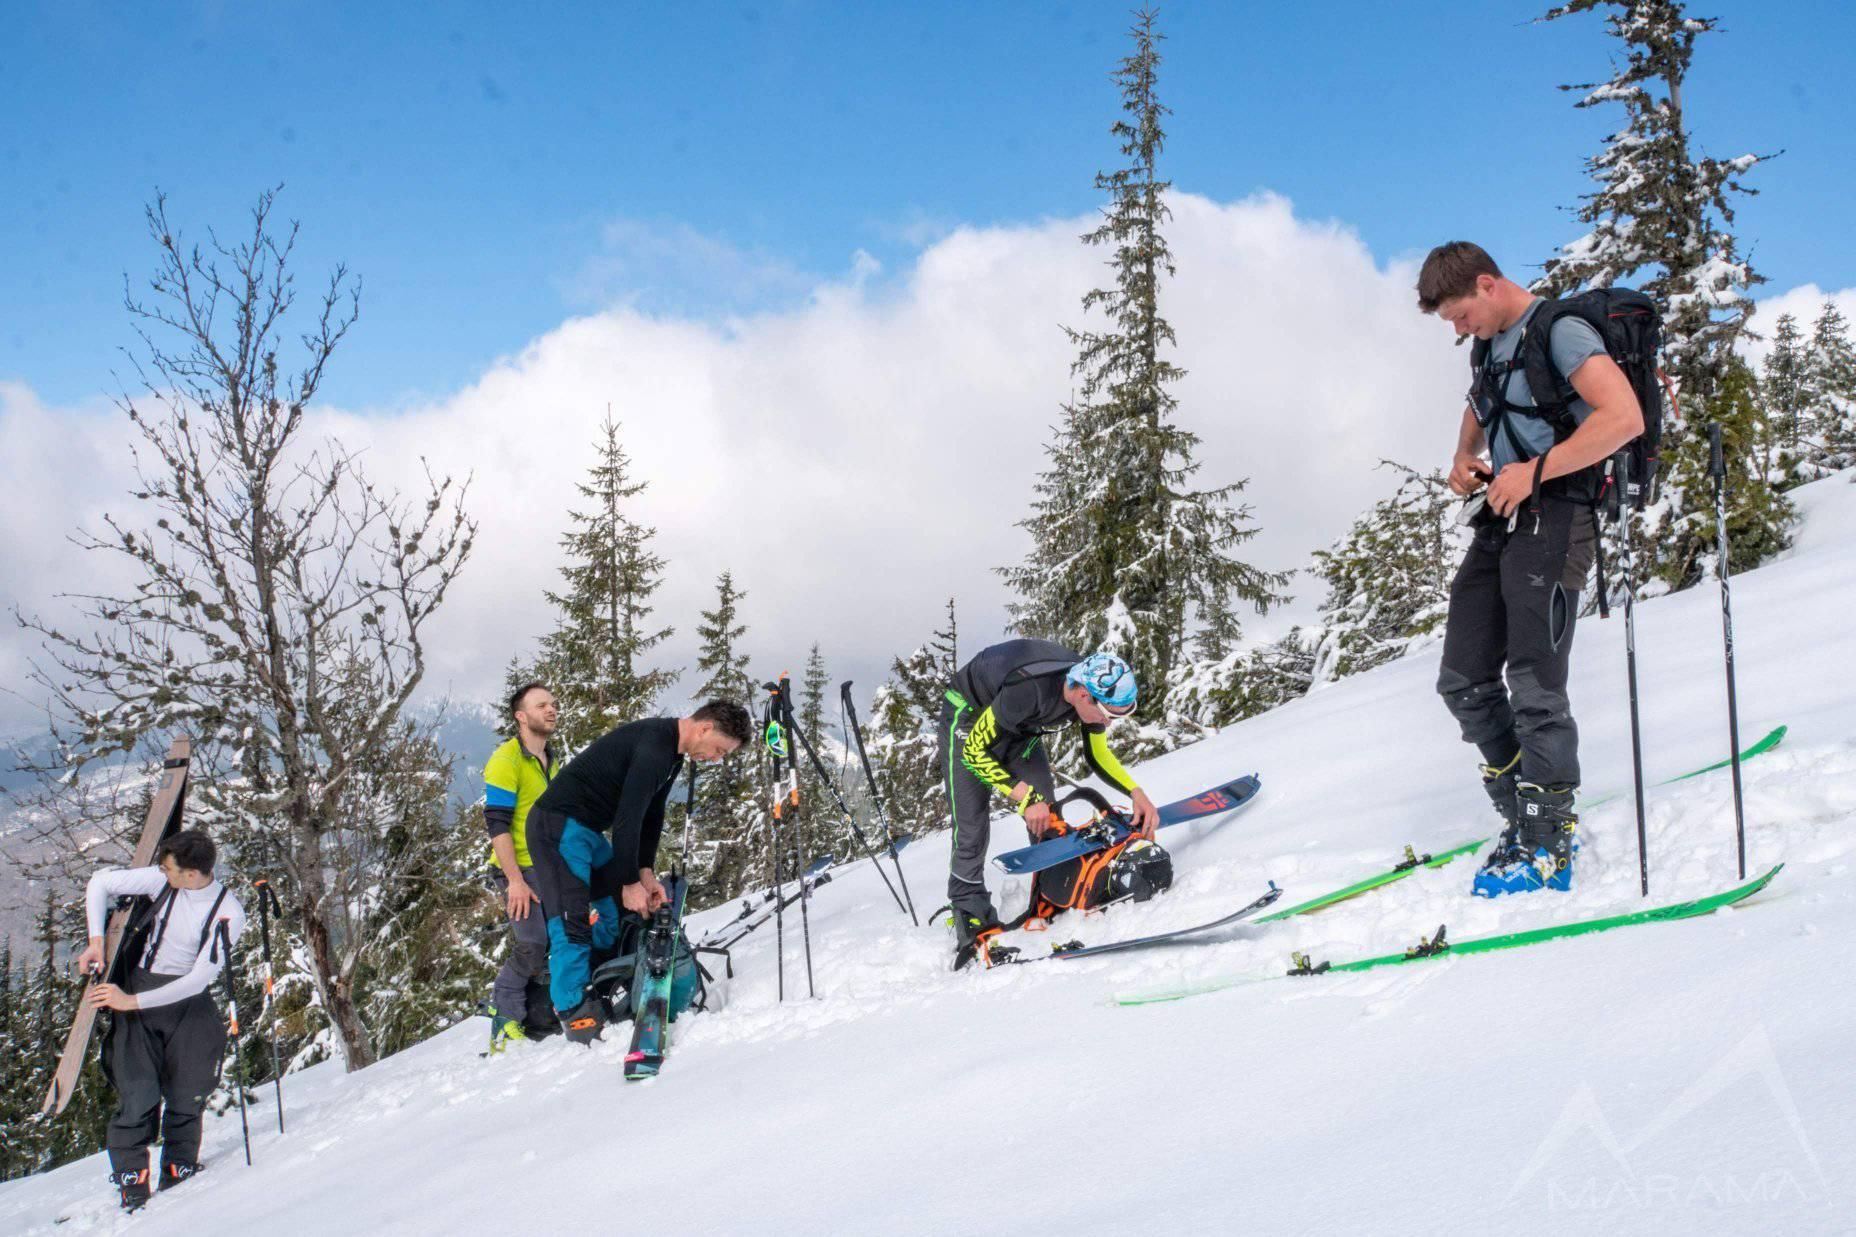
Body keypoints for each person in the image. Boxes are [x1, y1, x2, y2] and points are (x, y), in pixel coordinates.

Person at [1416, 241, 1645, 896]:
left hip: (1560, 515)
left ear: (1487, 285)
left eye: (1461, 316)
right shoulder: (1487, 344)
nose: (1459, 331)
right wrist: (1464, 453)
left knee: (1536, 685)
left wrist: (1536, 470)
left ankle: (1548, 842)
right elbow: (1481, 403)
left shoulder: (1561, 331)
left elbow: (1623, 416)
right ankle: (1521, 811)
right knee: (1462, 678)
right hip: (1503, 516)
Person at [525, 699, 752, 1043]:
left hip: (586, 831)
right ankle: (574, 1012)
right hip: (557, 827)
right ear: (704, 728)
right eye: (719, 749)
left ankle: (597, 978)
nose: (717, 758)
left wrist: (644, 873)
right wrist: (629, 881)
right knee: (570, 923)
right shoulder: (654, 748)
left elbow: (651, 815)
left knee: (616, 910)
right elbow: (628, 819)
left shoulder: (672, 754)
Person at [940, 641, 1157, 968]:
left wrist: (1135, 792)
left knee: (1048, 815)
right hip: (969, 719)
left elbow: (1097, 754)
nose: (1108, 723)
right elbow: (974, 752)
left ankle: (1055, 891)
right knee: (971, 825)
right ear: (1085, 696)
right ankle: (968, 908)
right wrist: (1023, 797)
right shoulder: (1030, 689)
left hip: (1018, 727)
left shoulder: (1089, 684)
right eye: (1109, 714)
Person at [77, 829, 246, 1212]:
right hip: (140, 989)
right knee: (138, 1094)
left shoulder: (228, 912)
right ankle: (132, 1184)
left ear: (191, 873)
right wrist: (96, 940)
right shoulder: (163, 881)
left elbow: (198, 979)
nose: (161, 872)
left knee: (189, 1092)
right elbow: (100, 883)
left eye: (169, 868)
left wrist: (129, 1000)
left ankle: (179, 1169)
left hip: (185, 1003)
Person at [482, 681, 560, 1052]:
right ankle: (504, 1011)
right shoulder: (506, 759)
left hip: (549, 865)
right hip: (518, 869)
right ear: (520, 716)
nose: (551, 709)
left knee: (559, 937)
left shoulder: (550, 758)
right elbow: (497, 822)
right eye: (541, 705)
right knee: (532, 942)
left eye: (553, 704)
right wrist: (514, 880)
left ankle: (539, 1014)